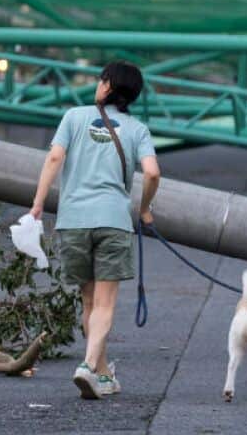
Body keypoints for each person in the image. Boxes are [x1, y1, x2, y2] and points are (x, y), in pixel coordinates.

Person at [29, 61, 161, 400]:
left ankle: (101, 375)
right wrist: (144, 208)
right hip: (113, 220)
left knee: (88, 301)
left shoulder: (73, 117)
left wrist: (38, 202)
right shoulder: (137, 129)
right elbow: (152, 173)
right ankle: (89, 366)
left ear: (107, 86)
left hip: (74, 220)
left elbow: (54, 159)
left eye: (101, 79)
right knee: (105, 303)